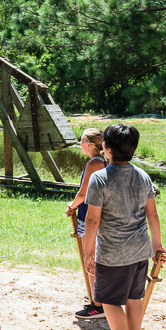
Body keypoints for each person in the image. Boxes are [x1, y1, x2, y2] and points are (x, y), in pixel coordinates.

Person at [83, 123, 166, 330]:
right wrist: (157, 245)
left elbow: (92, 220)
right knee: (134, 299)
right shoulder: (143, 175)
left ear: (106, 148)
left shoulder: (100, 178)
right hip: (140, 250)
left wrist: (88, 253)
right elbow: (152, 214)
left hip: (112, 252)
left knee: (108, 301)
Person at [65, 128, 107, 319]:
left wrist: (71, 206)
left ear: (90, 144)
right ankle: (96, 294)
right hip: (102, 215)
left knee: (89, 257)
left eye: (82, 141)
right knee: (97, 256)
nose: (80, 144)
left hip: (88, 215)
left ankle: (96, 305)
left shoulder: (93, 164)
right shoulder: (106, 161)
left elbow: (82, 194)